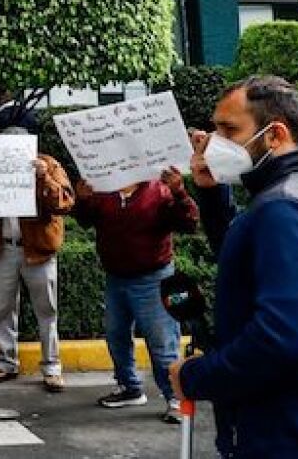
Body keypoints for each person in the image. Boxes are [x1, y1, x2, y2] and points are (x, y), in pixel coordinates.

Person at [174, 76, 298, 458]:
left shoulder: (286, 209)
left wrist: (196, 377)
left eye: (229, 129)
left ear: (274, 135)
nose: (215, 141)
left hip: (295, 434)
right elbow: (255, 259)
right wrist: (212, 193)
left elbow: (285, 338)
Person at [73, 165, 198, 423]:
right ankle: (129, 387)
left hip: (154, 278)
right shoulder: (104, 190)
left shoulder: (159, 190)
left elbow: (189, 222)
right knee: (116, 334)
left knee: (162, 342)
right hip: (116, 277)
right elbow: (86, 220)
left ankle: (175, 397)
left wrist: (180, 193)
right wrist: (83, 199)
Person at [0, 143, 74, 392]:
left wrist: (43, 177)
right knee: (2, 308)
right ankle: (5, 363)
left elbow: (64, 203)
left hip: (38, 250)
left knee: (46, 310)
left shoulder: (50, 165)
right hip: (4, 248)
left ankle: (52, 367)